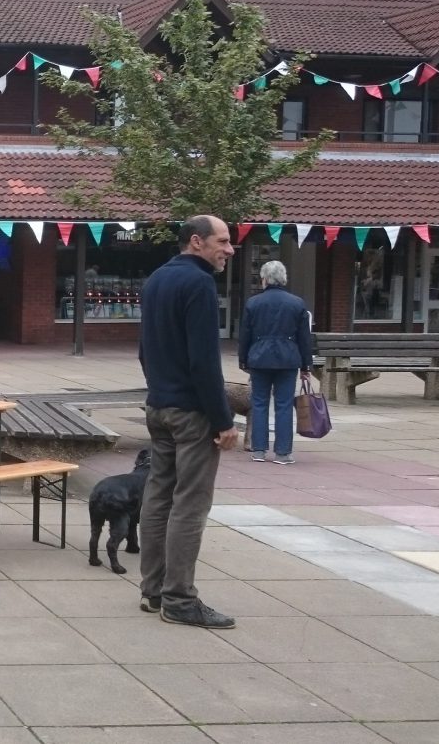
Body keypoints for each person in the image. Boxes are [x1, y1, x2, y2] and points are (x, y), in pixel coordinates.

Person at [137, 214, 238, 630]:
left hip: (159, 406)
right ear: (196, 242)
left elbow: (145, 351)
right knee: (190, 504)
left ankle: (153, 591)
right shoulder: (198, 283)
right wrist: (224, 420)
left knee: (159, 496)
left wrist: (160, 392)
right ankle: (179, 600)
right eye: (223, 241)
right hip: (191, 413)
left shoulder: (156, 279)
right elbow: (204, 362)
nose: (230, 250)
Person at [238, 261, 314, 463]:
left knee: (259, 403)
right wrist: (306, 365)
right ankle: (282, 452)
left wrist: (243, 359)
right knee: (284, 405)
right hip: (288, 359)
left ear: (264, 278)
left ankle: (259, 450)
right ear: (283, 278)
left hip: (259, 358)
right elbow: (304, 338)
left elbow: (245, 334)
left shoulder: (253, 303)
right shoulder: (297, 303)